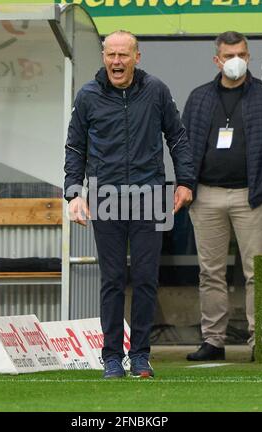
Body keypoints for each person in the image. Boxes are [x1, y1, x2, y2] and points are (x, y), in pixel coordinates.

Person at [64, 30, 194, 378]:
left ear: (138, 56)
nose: (116, 62)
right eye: (110, 55)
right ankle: (111, 358)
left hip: (151, 196)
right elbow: (75, 147)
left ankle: (140, 356)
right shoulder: (88, 95)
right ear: (103, 56)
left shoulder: (156, 91)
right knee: (112, 279)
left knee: (147, 278)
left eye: (123, 55)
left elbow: (178, 137)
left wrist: (185, 182)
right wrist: (74, 192)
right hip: (104, 197)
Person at [182, 31, 262, 361]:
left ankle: (261, 342)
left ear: (249, 57)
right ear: (216, 60)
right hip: (207, 196)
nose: (237, 61)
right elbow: (184, 145)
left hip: (255, 196)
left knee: (258, 272)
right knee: (210, 273)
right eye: (230, 55)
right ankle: (214, 341)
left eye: (243, 54)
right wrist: (187, 186)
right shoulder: (200, 97)